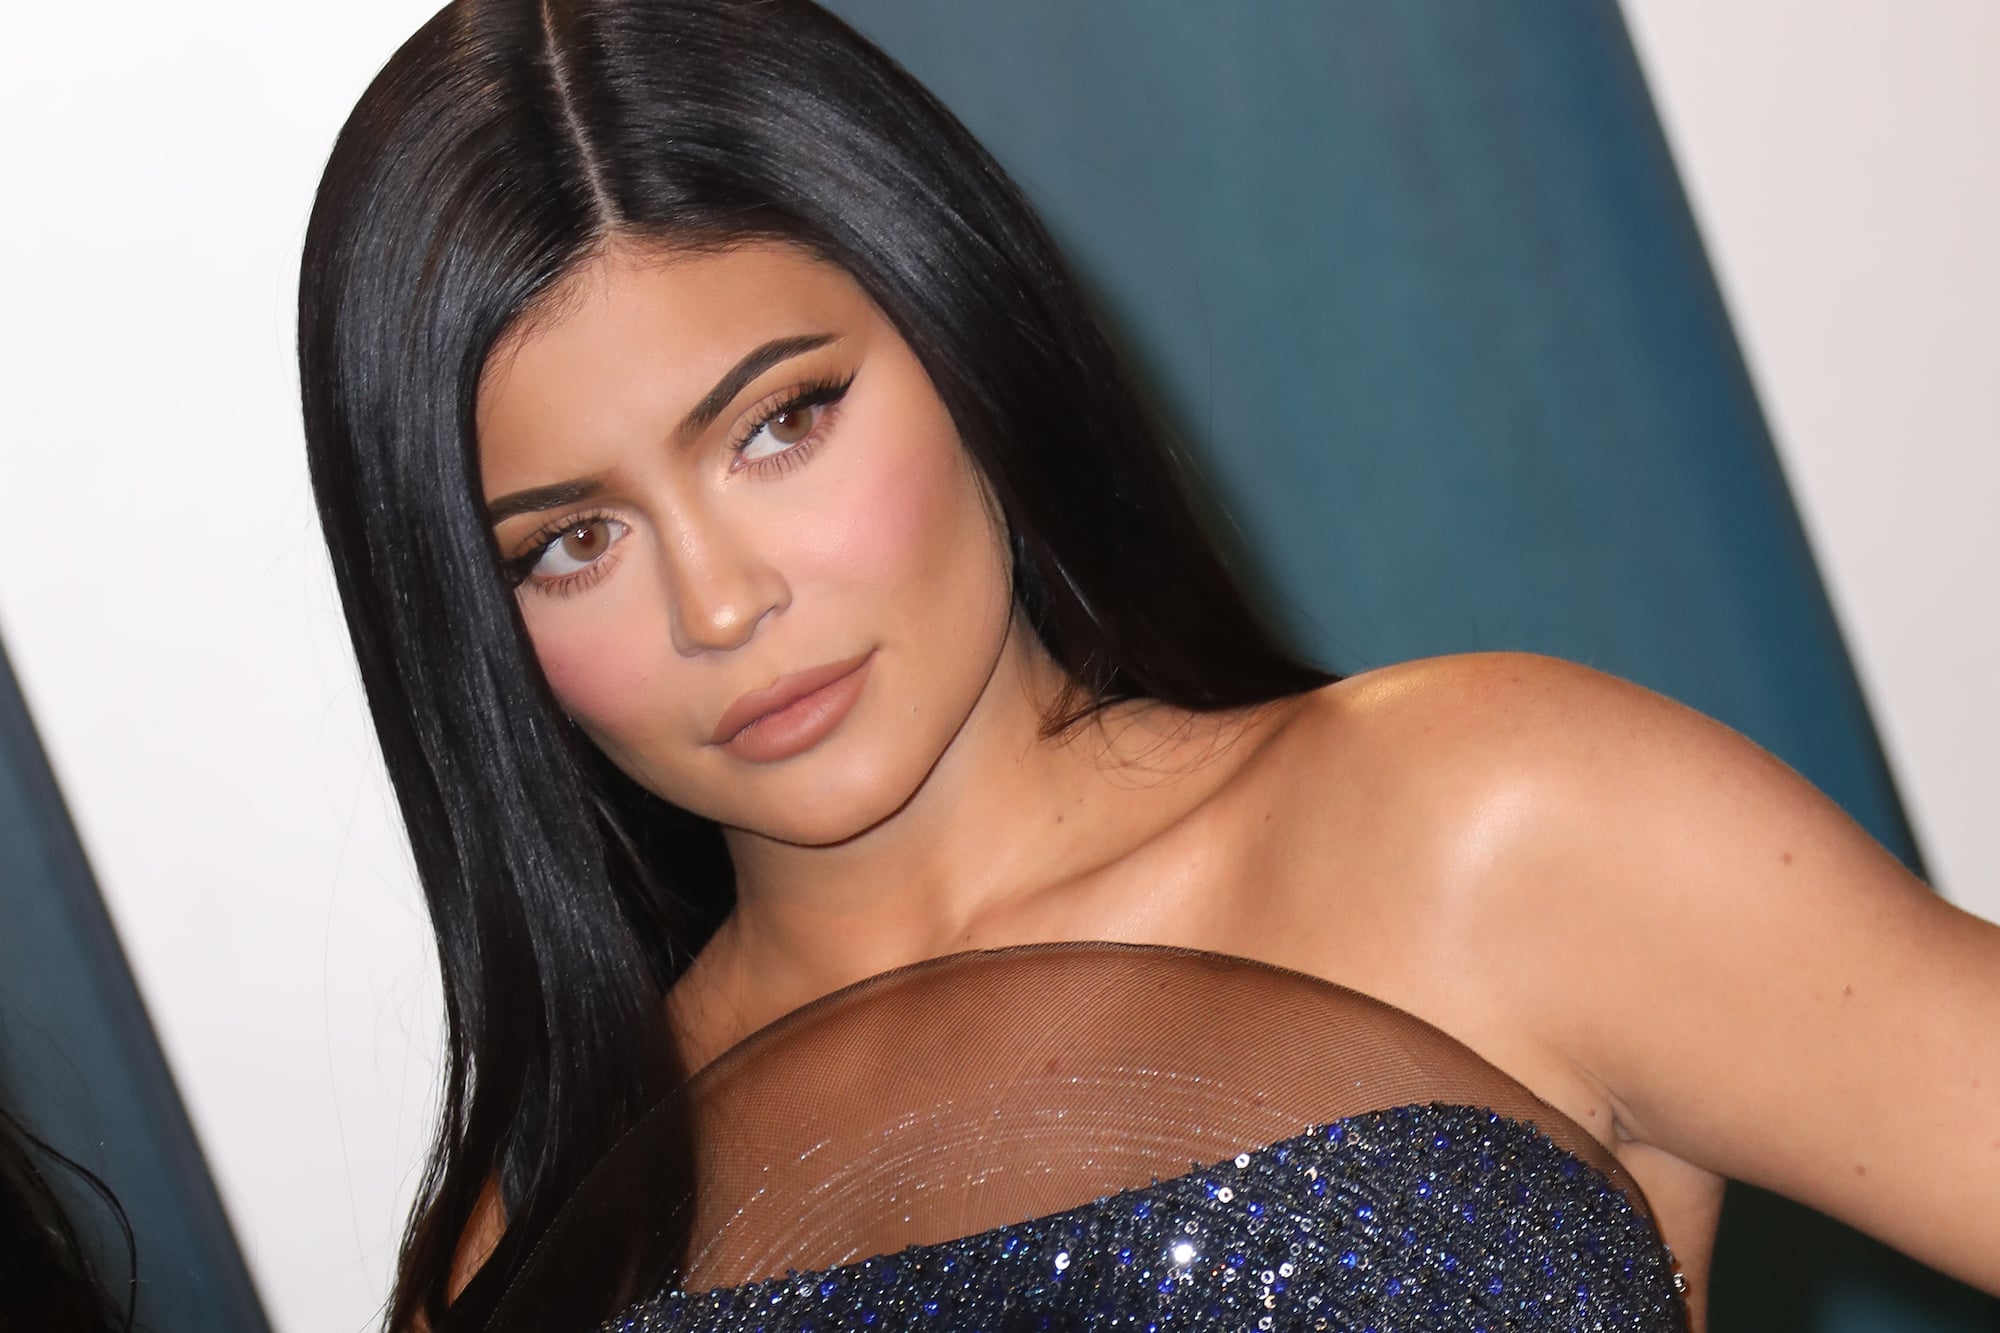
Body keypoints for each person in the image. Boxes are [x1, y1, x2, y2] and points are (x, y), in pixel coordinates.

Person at [296, 2, 2000, 1330]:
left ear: (959, 329)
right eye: (570, 542)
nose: (722, 602)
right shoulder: (541, 1231)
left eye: (782, 422)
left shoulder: (1495, 834)